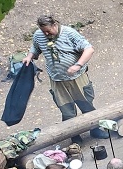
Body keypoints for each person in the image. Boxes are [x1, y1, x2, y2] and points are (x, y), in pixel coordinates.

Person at [22, 14, 108, 142]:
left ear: (55, 25)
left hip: (77, 77)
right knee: (66, 110)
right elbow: (35, 47)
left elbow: (89, 49)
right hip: (57, 79)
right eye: (43, 31)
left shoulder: (69, 33)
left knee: (87, 105)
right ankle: (74, 135)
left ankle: (95, 129)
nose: (46, 34)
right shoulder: (39, 35)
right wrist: (29, 56)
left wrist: (77, 65)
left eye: (48, 31)